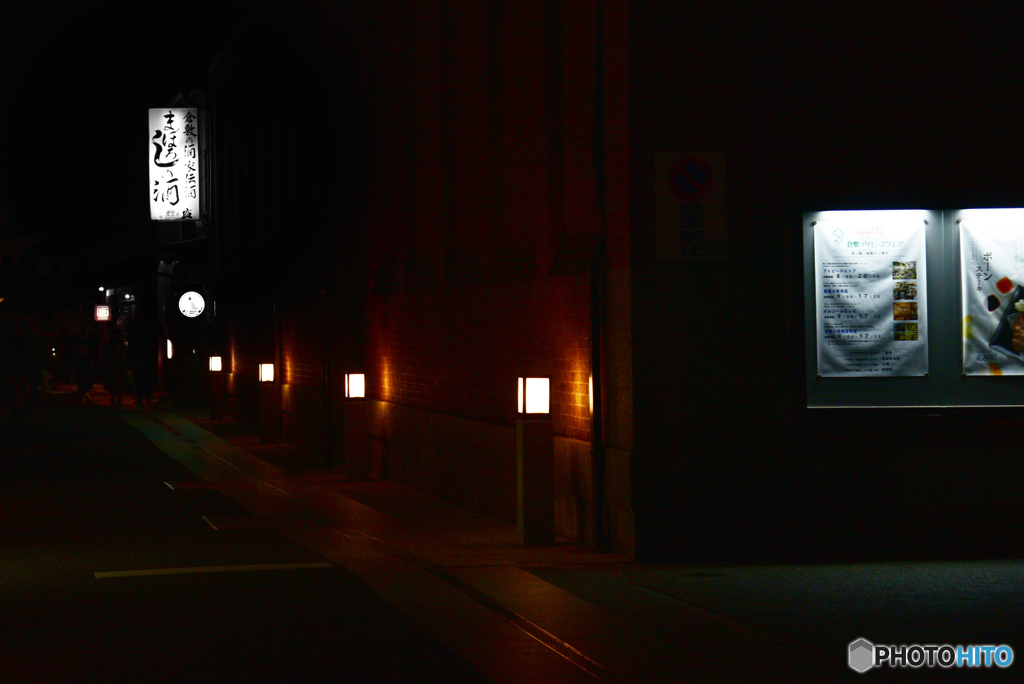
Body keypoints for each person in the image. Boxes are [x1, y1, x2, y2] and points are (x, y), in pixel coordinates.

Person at [103, 328, 128, 407]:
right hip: (114, 365)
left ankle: (118, 398)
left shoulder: (119, 345)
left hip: (119, 365)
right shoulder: (110, 345)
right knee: (114, 383)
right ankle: (114, 398)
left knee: (119, 382)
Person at [75, 327, 98, 403]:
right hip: (84, 362)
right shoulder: (88, 342)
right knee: (85, 377)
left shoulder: (82, 342)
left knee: (84, 377)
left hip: (84, 362)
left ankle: (84, 393)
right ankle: (84, 393)